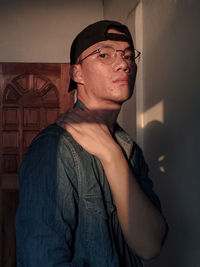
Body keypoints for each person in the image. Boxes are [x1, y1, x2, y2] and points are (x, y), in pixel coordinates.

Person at [15, 20, 168, 267]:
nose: (123, 64)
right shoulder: (54, 149)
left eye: (129, 55)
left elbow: (149, 245)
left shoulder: (129, 150)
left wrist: (112, 155)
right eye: (104, 54)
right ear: (77, 73)